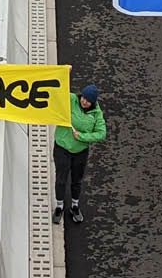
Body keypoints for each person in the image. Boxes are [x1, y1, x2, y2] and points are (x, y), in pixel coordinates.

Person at [52, 83, 106, 224]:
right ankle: (59, 206)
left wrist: (82, 137)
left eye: (88, 100)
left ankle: (74, 206)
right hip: (62, 148)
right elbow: (58, 91)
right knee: (61, 179)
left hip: (80, 152)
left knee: (76, 180)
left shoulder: (96, 114)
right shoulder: (71, 99)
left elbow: (101, 133)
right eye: (83, 97)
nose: (84, 101)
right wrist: (65, 73)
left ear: (93, 102)